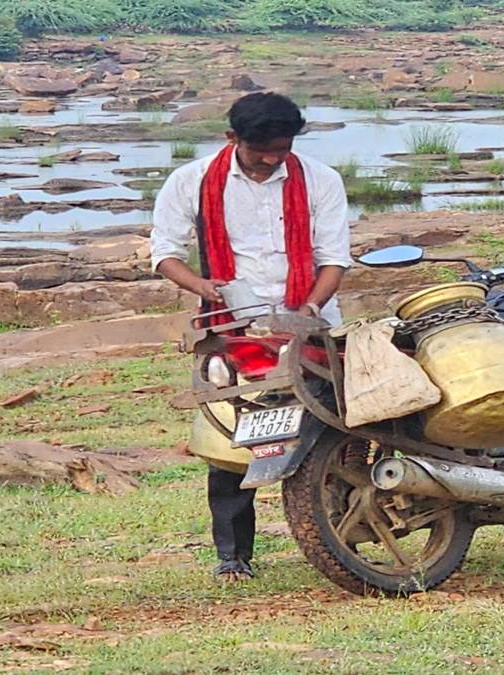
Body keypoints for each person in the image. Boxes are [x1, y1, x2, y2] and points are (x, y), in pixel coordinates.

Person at [150, 92, 351, 580]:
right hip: (233, 329)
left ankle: (344, 540)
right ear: (231, 139)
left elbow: (334, 258)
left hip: (312, 326)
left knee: (338, 432)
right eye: (262, 149)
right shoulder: (191, 182)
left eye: (282, 149)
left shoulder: (321, 181)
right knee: (233, 442)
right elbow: (164, 252)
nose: (272, 159)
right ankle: (233, 557)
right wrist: (201, 286)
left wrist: (307, 309)